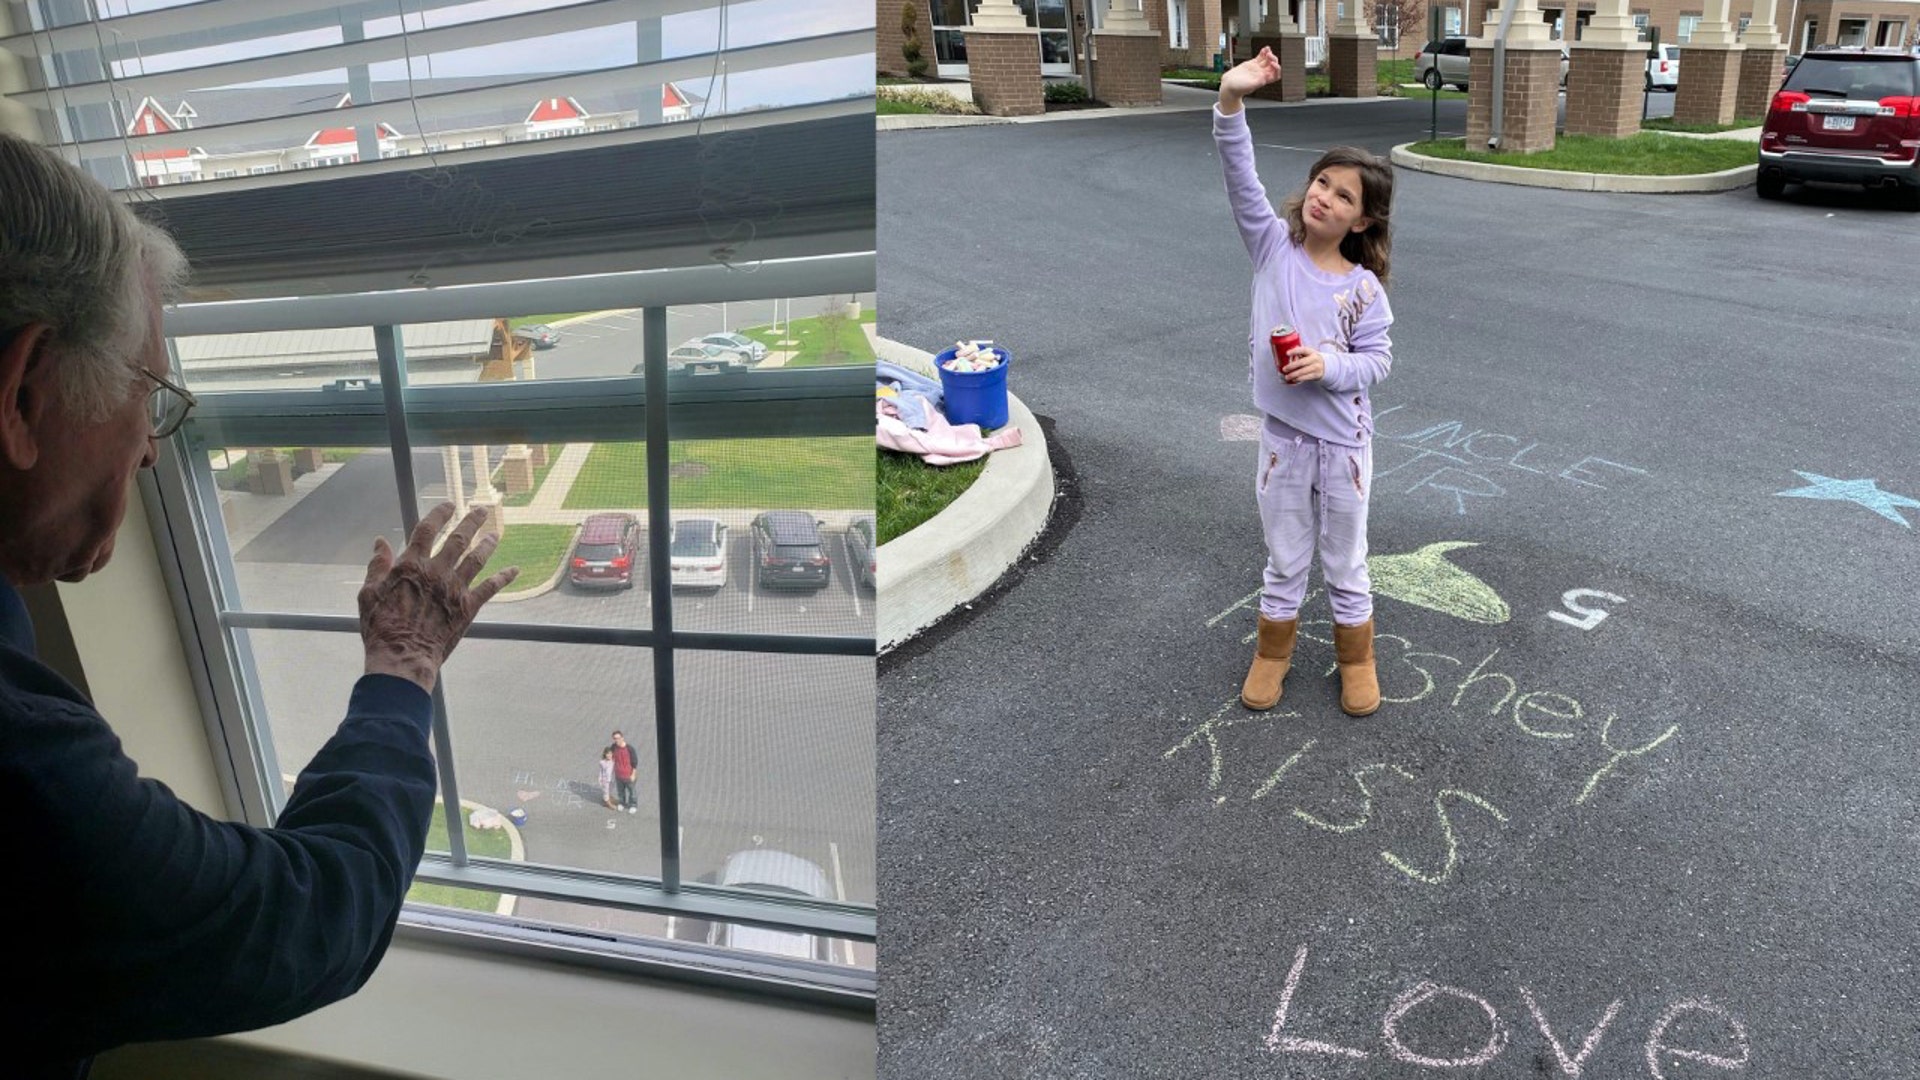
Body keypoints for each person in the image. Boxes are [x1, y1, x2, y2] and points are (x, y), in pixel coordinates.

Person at [0, 129, 517, 1076]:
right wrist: (403, 672)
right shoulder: (18, 765)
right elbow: (303, 917)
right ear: (24, 396)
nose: (153, 447)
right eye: (150, 393)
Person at [1214, 48, 1395, 717]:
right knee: (1285, 558)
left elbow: (1376, 363)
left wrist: (1328, 366)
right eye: (1323, 182)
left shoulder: (1363, 289)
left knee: (1345, 562)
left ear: (1364, 220)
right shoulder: (1272, 249)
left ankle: (1357, 658)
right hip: (1283, 443)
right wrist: (1231, 100)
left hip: (1344, 449)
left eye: (1344, 195)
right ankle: (1273, 651)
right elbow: (1239, 177)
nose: (1325, 196)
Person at [607, 729, 640, 814]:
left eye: (618, 738)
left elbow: (634, 762)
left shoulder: (629, 749)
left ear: (622, 738)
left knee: (632, 792)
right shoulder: (613, 747)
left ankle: (633, 805)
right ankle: (622, 803)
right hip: (618, 775)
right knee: (620, 791)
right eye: (614, 738)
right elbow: (609, 756)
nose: (616, 740)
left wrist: (633, 774)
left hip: (628, 775)